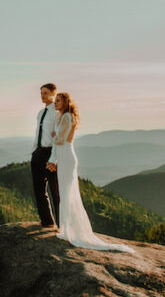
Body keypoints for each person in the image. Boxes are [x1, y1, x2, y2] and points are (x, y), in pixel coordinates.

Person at [47, 92, 134, 253]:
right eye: (56, 101)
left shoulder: (66, 117)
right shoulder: (64, 116)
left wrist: (53, 139)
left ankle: (71, 231)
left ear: (66, 102)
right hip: (64, 155)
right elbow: (60, 139)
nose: (56, 103)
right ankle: (68, 230)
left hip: (66, 156)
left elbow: (60, 140)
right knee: (66, 193)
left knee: (66, 193)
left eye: (58, 101)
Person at [30, 83, 61, 228]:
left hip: (50, 154)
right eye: (41, 93)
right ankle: (47, 221)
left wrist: (53, 159)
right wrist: (34, 151)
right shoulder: (40, 113)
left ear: (54, 94)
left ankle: (62, 225)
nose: (42, 95)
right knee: (39, 190)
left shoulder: (56, 113)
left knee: (55, 192)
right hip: (38, 153)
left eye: (46, 93)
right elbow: (38, 133)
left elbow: (57, 138)